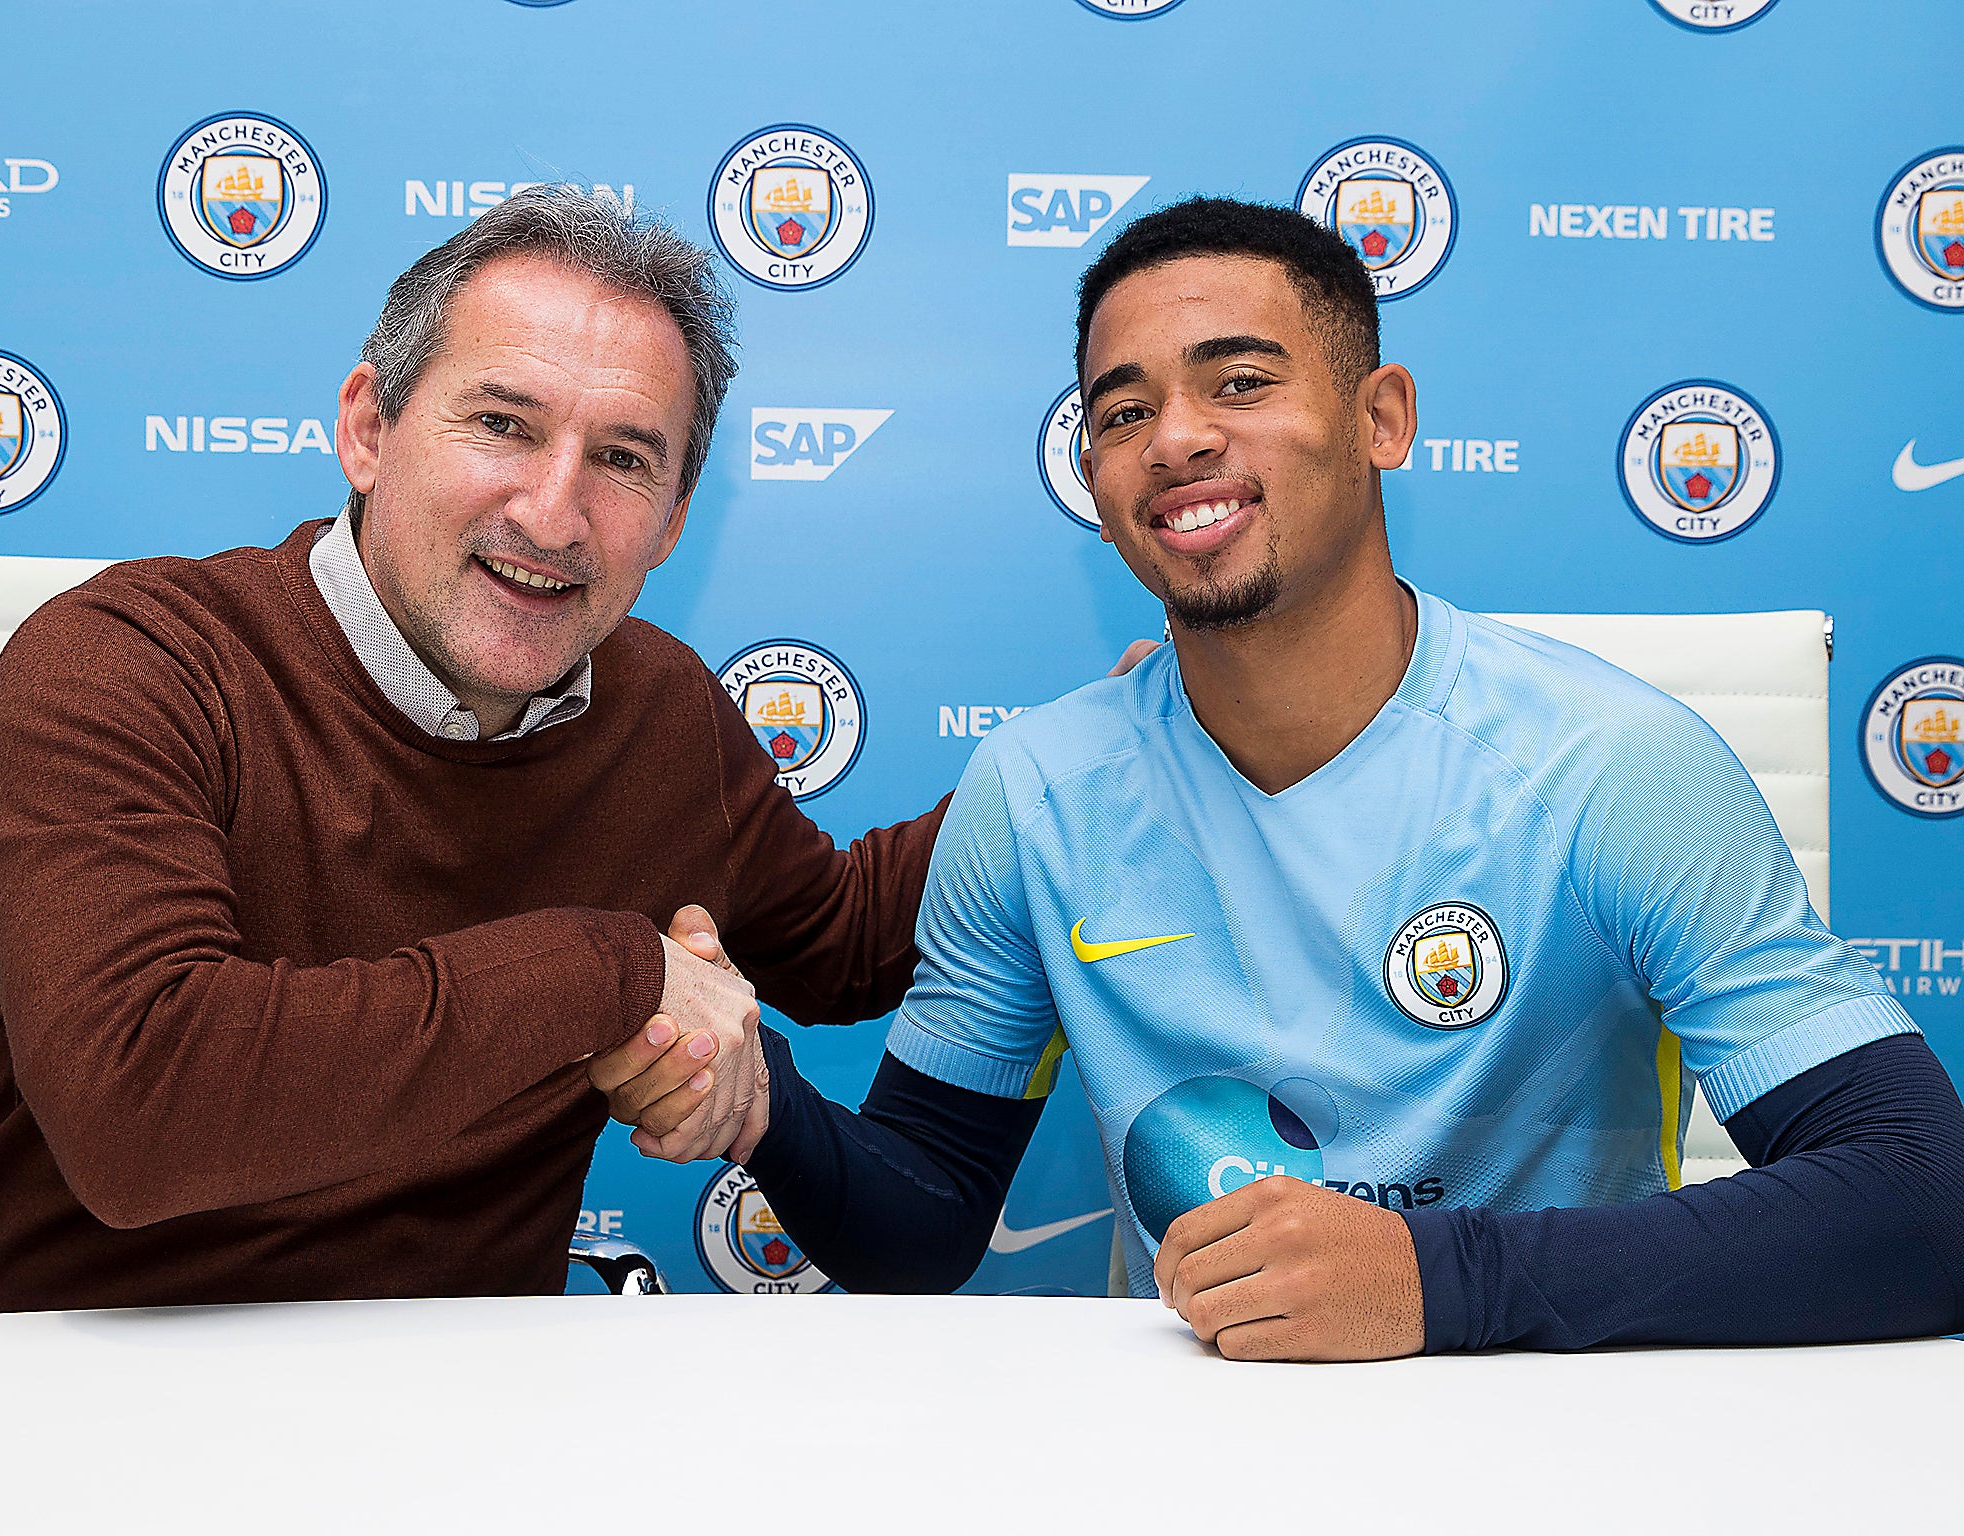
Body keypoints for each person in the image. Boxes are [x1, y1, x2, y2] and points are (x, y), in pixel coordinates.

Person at [661, 196, 1964, 1358]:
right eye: (1123, 411)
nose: (1175, 439)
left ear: (1381, 418)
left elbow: (1923, 1197)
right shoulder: (1035, 787)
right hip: (1215, 1456)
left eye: (1238, 383)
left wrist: (1427, 1283)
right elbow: (927, 1224)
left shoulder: (1612, 761)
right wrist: (753, 1092)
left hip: (1558, 1440)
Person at [0, 188, 940, 1315]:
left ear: (675, 517)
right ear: (368, 429)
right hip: (65, 1415)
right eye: (501, 423)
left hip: (465, 1425)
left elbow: (844, 944)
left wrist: (1134, 725)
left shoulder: (662, 710)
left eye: (622, 459)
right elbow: (140, 1111)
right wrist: (615, 972)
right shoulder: (129, 663)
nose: (553, 515)